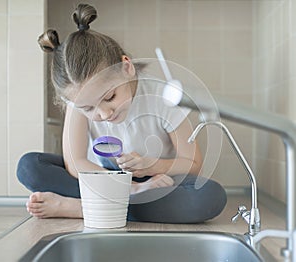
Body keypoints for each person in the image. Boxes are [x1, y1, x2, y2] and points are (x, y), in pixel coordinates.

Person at [17, 3, 227, 223]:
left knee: (209, 196)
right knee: (29, 167)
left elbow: (193, 163)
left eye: (109, 98)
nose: (104, 113)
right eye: (88, 108)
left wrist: (152, 165)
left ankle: (82, 208)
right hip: (100, 177)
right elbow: (76, 163)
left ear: (127, 68)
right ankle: (114, 206)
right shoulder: (78, 98)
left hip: (154, 180)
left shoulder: (161, 95)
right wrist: (130, 188)